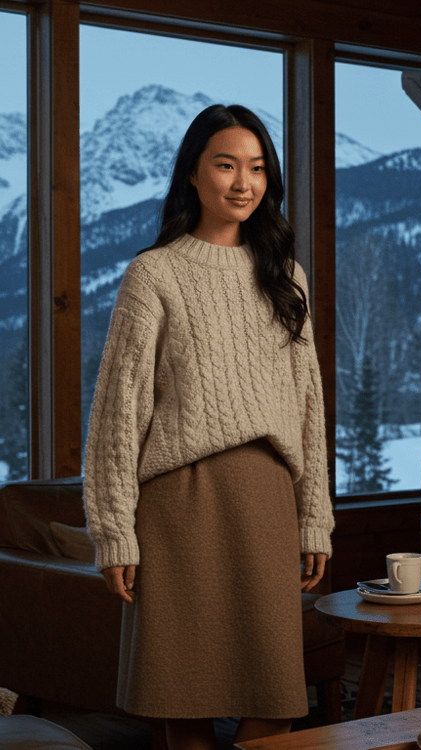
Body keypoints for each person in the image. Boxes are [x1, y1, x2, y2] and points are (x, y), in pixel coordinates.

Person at [83, 103, 334, 750]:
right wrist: (115, 532)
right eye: (226, 165)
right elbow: (118, 414)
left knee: (275, 697)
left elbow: (308, 404)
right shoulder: (154, 273)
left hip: (267, 501)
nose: (243, 183)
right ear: (192, 174)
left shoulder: (286, 277)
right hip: (180, 506)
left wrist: (315, 517)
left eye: (257, 168)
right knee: (184, 698)